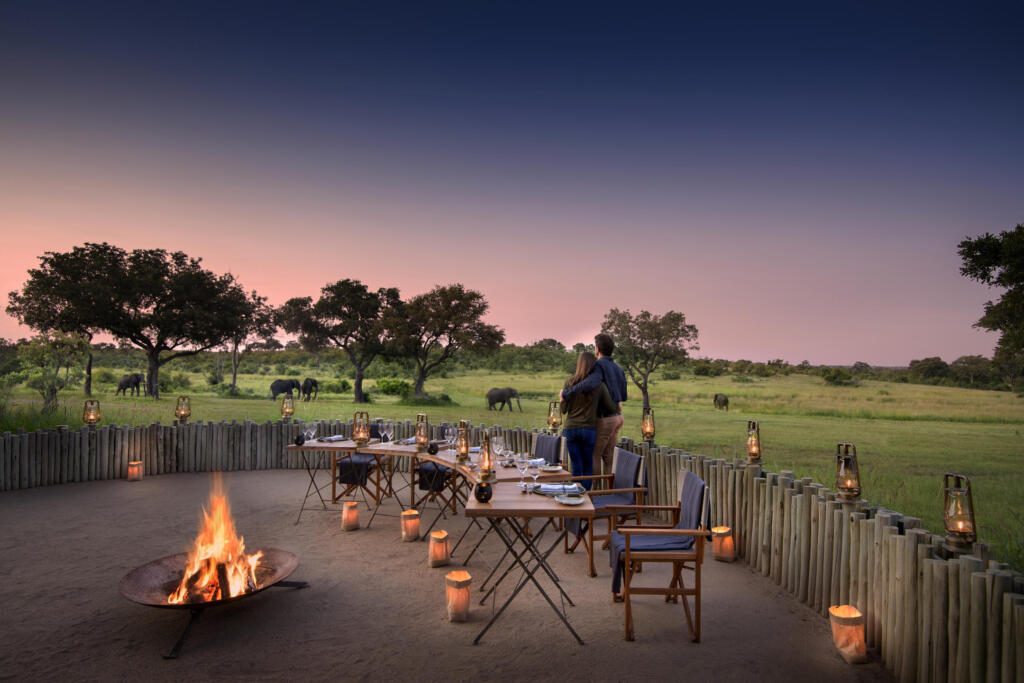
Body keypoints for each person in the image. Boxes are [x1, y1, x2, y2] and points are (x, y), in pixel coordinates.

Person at [560, 333, 627, 479]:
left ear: (597, 348)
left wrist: (568, 393)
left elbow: (591, 382)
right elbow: (623, 394)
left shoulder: (599, 365)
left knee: (594, 456)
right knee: (608, 457)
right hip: (618, 417)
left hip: (605, 418)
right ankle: (607, 491)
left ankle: (594, 493)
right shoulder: (618, 368)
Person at [560, 352, 617, 490]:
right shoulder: (599, 385)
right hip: (589, 429)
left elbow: (564, 410)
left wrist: (562, 398)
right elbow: (610, 407)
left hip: (571, 428)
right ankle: (585, 496)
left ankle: (576, 495)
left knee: (576, 465)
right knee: (587, 464)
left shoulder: (569, 382)